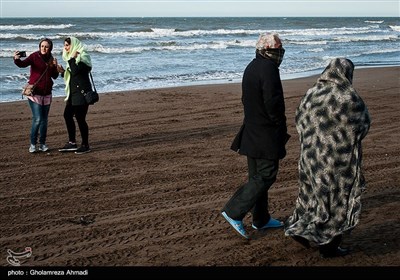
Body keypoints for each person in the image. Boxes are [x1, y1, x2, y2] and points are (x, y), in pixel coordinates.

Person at [284, 58, 371, 258]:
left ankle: (301, 230)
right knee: (337, 201)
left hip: (310, 157)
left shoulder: (311, 93)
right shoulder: (348, 96)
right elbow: (363, 124)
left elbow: (299, 119)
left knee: (310, 195)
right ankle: (329, 247)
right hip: (337, 161)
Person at [221, 33, 289, 239]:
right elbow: (273, 102)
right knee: (266, 175)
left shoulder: (252, 66)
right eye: (278, 47)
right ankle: (233, 211)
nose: (281, 50)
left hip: (251, 131)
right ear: (267, 48)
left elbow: (246, 99)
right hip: (265, 133)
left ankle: (261, 219)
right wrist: (279, 126)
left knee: (257, 177)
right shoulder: (269, 69)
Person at [13, 38, 59, 153]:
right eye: (42, 46)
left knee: (44, 120)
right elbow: (22, 64)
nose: (44, 48)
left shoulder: (51, 59)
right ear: (39, 47)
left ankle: (42, 144)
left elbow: (55, 76)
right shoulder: (34, 56)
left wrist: (55, 67)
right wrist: (16, 59)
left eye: (46, 46)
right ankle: (33, 144)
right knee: (38, 119)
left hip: (47, 93)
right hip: (35, 92)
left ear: (50, 48)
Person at [57, 37, 93, 154]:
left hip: (82, 94)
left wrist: (72, 58)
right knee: (67, 115)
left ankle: (85, 144)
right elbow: (72, 75)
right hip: (72, 94)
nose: (66, 48)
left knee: (80, 119)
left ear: (74, 45)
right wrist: (62, 72)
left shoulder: (83, 57)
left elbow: (77, 72)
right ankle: (72, 142)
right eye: (65, 45)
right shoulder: (70, 59)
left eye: (68, 45)